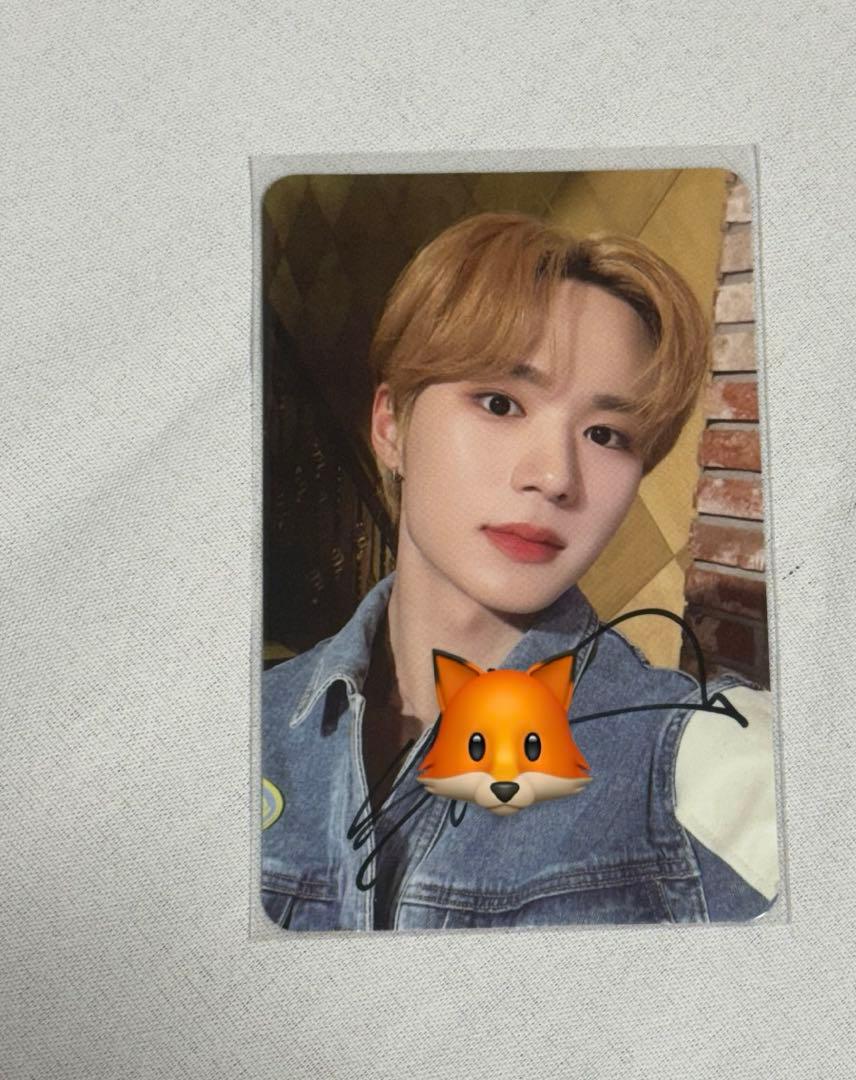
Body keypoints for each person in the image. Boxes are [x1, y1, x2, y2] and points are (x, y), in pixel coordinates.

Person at [260, 211, 779, 931]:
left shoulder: (685, 762)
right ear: (391, 427)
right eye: (500, 403)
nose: (555, 476)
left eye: (606, 434)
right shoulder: (249, 723)